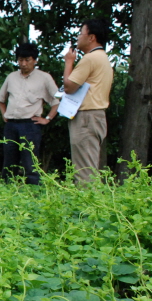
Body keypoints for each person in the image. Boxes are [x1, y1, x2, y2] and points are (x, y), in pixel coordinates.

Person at [0, 42, 60, 185]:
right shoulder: (12, 77)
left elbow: (56, 101)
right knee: (9, 160)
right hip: (11, 124)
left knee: (30, 161)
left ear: (35, 60)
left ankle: (33, 190)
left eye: (27, 60)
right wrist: (4, 115)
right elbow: (1, 99)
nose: (23, 64)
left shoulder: (44, 78)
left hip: (30, 125)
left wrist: (48, 118)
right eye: (20, 60)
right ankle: (7, 189)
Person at [63, 19, 114, 184]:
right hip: (95, 116)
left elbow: (69, 86)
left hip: (86, 117)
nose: (78, 37)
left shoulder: (90, 58)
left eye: (80, 33)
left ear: (91, 37)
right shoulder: (103, 57)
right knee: (89, 167)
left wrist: (69, 62)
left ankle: (89, 208)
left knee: (84, 171)